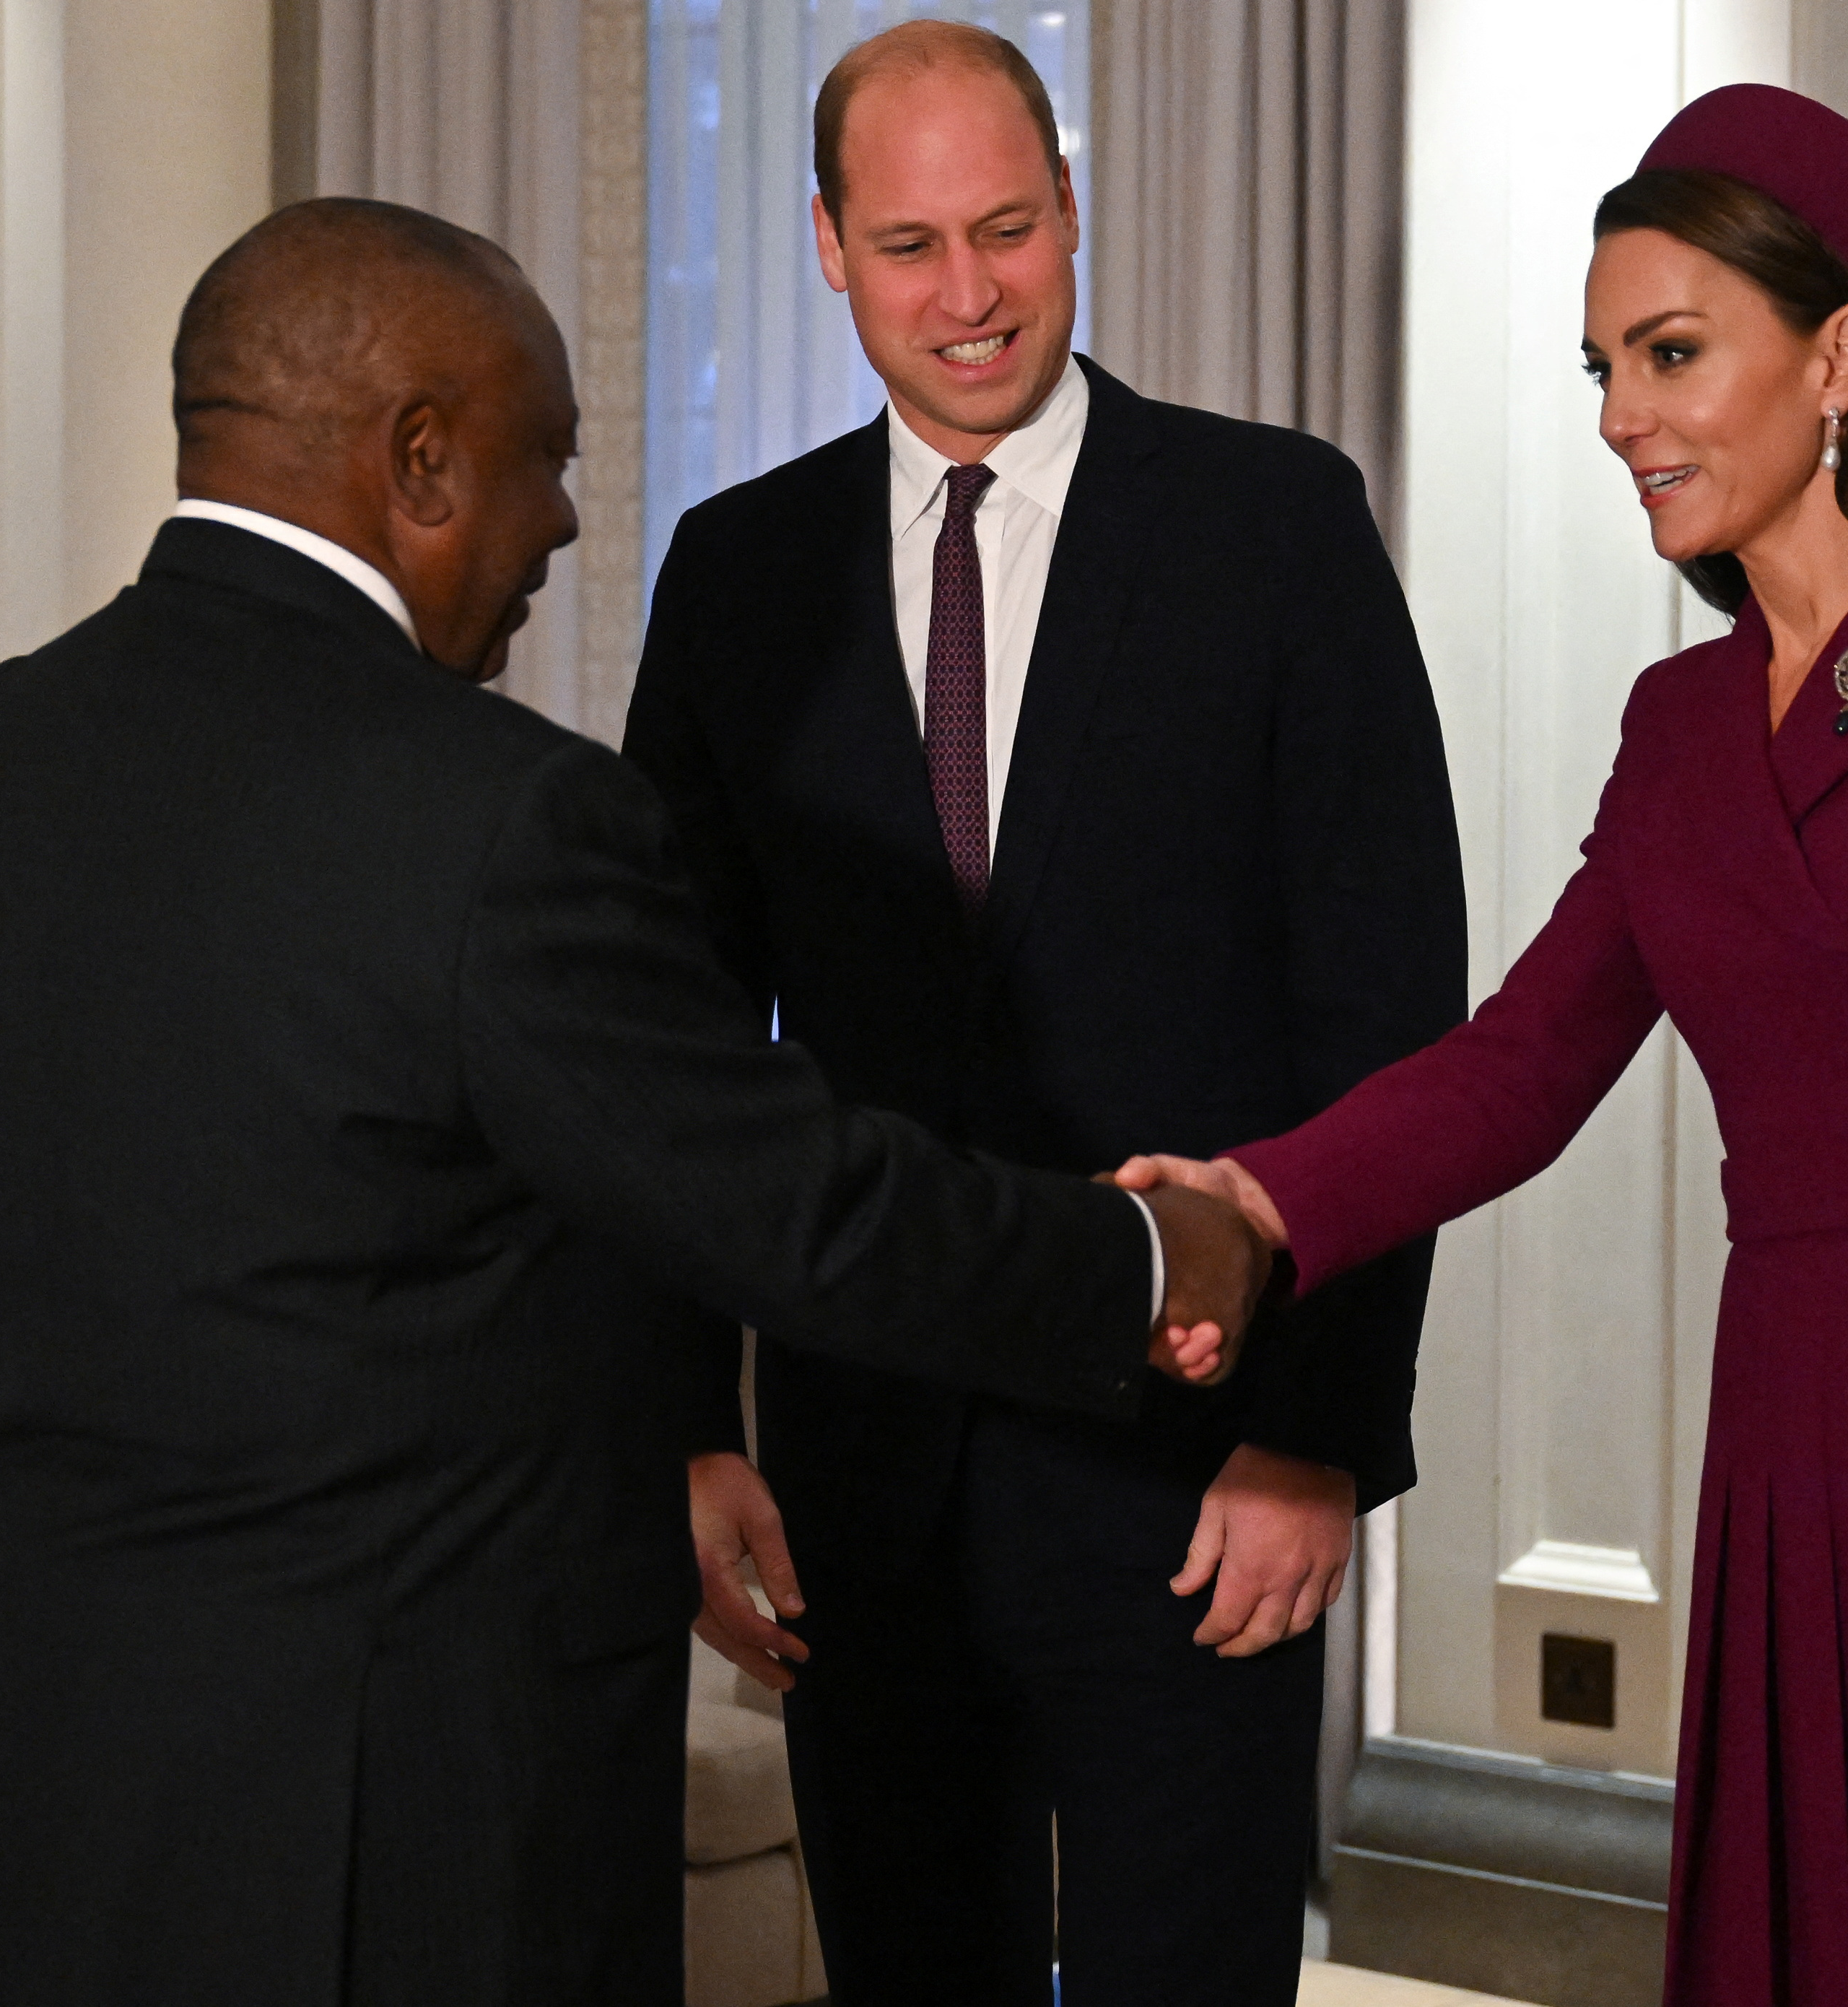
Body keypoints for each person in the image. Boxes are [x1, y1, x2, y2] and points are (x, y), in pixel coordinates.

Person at [0, 196, 1268, 2007]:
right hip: (374, 1866)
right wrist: (1147, 1255)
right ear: (422, 459)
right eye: (545, 459)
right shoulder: (505, 824)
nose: (568, 518)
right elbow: (789, 1201)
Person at [1121, 85, 1848, 2006]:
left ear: (1837, 357)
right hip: (1791, 1434)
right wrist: (1252, 1194)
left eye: (1668, 353)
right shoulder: (1675, 727)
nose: (1616, 416)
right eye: (1598, 366)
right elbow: (1517, 1066)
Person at [620, 22, 1465, 2005]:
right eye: (909, 244)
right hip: (857, 1474)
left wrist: (1320, 1433)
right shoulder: (735, 576)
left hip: (1197, 1466)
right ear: (829, 248)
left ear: (1073, 213)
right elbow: (662, 1035)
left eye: (1007, 228)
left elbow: (1387, 1019)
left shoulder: (1277, 530)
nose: (969, 292)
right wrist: (681, 1420)